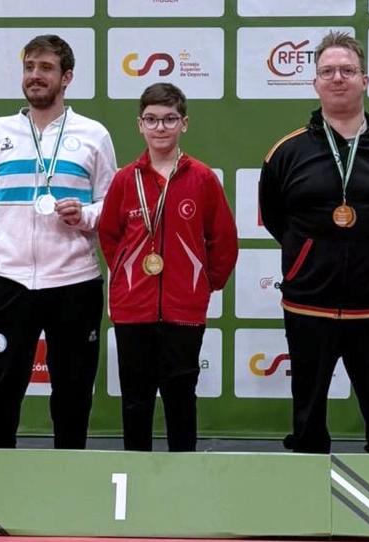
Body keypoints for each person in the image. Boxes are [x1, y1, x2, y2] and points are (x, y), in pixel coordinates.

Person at [258, 31, 369, 454]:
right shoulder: (286, 152)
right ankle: (306, 479)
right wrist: (308, 257)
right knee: (307, 419)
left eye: (348, 71)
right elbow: (276, 219)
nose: (338, 78)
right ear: (315, 82)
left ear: (364, 80)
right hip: (308, 303)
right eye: (328, 71)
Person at [0, 34, 118, 449]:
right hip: (8, 279)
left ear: (67, 77)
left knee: (73, 391)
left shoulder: (94, 134)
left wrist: (85, 216)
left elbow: (111, 205)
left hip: (75, 281)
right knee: (2, 387)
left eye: (46, 68)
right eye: (29, 67)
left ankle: (70, 473)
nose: (35, 76)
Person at [99, 82, 238, 452]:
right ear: (139, 125)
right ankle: (134, 472)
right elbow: (110, 236)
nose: (160, 127)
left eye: (169, 119)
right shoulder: (125, 179)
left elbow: (223, 239)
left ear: (184, 124)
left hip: (184, 308)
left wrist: (203, 284)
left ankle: (183, 474)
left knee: (181, 400)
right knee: (135, 400)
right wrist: (127, 277)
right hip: (132, 309)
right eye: (151, 119)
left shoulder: (202, 178)